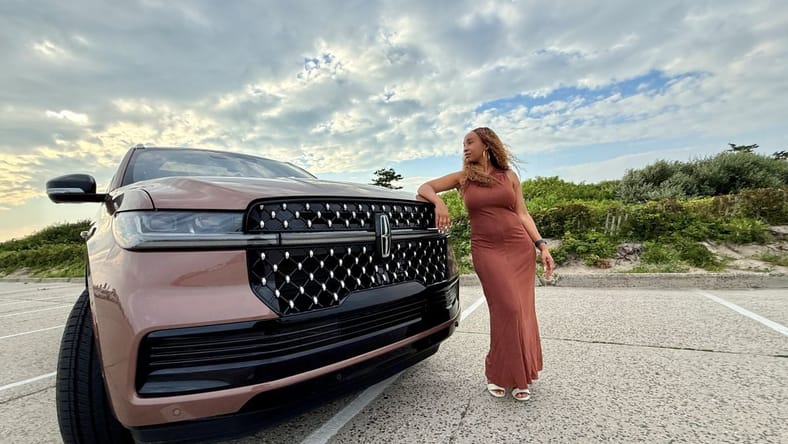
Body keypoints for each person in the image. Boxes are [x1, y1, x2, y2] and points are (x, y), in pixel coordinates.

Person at [416, 127, 554, 401]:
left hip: (519, 249)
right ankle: (498, 373)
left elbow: (522, 214)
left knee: (522, 310)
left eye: (470, 142)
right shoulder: (463, 178)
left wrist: (541, 246)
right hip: (487, 251)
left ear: (487, 145)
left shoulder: (509, 177)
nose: (465, 148)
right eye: (463, 144)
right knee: (508, 308)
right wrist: (439, 204)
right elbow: (425, 188)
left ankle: (520, 375)